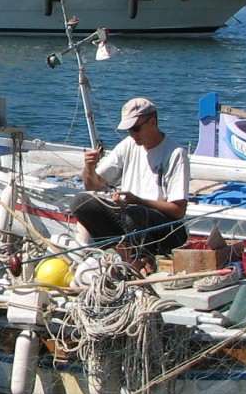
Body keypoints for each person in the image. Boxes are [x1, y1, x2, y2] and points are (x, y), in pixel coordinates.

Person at [72, 96, 190, 268]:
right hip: (131, 219)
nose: (133, 135)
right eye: (129, 130)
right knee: (81, 202)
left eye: (136, 129)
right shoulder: (128, 145)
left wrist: (138, 200)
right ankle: (130, 259)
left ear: (152, 122)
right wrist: (89, 166)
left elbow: (178, 211)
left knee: (133, 213)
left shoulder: (175, 153)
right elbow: (93, 186)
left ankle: (143, 260)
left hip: (167, 230)